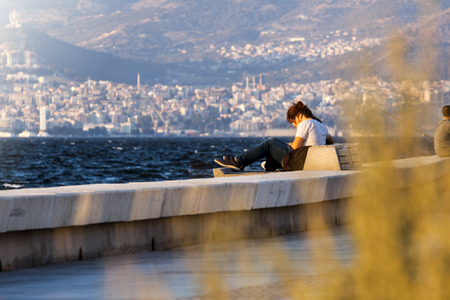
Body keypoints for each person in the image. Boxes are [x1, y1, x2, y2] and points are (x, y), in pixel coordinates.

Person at [215, 101, 334, 171]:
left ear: (300, 116)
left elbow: (295, 149)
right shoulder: (320, 125)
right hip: (311, 161)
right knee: (274, 145)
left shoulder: (305, 123)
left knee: (269, 142)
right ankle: (270, 165)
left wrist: (287, 145)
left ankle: (238, 162)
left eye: (294, 121)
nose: (294, 125)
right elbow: (330, 141)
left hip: (300, 162)